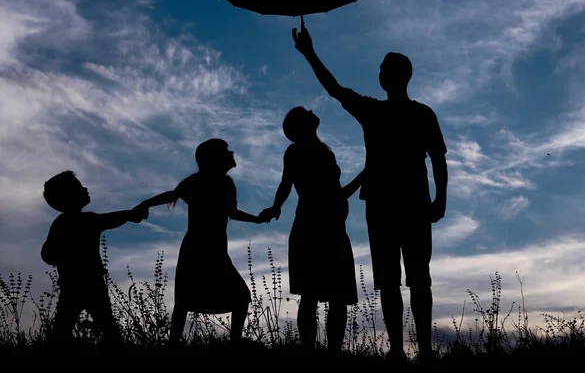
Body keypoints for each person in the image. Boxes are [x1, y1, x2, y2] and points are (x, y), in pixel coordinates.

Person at [291, 22, 449, 360]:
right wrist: (440, 199)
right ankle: (409, 349)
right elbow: (437, 160)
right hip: (401, 203)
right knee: (406, 279)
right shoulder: (411, 113)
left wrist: (309, 53)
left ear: (396, 76)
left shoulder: (384, 111)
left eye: (382, 69)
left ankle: (409, 349)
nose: (378, 73)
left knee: (403, 280)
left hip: (392, 204)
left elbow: (438, 159)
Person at [134, 138, 270, 346]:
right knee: (187, 300)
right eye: (226, 151)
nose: (231, 152)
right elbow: (173, 195)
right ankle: (176, 344)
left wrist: (257, 219)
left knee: (237, 296)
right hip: (197, 248)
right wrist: (146, 203)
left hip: (214, 249)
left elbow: (231, 213)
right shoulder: (198, 182)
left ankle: (232, 343)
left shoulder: (225, 184)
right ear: (213, 158)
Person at [260, 106, 363, 355]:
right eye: (306, 112)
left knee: (322, 295)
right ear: (302, 125)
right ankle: (319, 354)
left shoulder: (318, 151)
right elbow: (292, 185)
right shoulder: (300, 152)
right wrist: (364, 175)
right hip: (319, 228)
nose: (312, 111)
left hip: (329, 227)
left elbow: (293, 185)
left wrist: (276, 206)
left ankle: (321, 353)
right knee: (318, 295)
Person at [41, 170, 148, 347]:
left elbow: (47, 254)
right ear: (69, 196)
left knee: (64, 326)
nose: (85, 188)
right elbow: (110, 219)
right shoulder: (84, 221)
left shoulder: (61, 223)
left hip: (72, 284)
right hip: (90, 283)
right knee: (106, 324)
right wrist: (130, 214)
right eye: (79, 187)